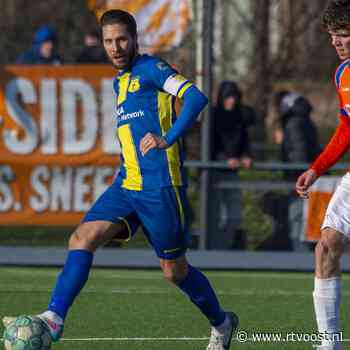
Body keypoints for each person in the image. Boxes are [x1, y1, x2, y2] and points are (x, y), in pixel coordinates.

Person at [3, 9, 238, 350]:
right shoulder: (120, 80)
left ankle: (222, 322)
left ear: (135, 39)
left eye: (122, 39)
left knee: (174, 272)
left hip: (160, 187)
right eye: (109, 41)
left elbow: (195, 97)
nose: (115, 47)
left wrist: (168, 137)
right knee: (81, 238)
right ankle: (54, 318)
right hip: (127, 185)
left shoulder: (152, 69)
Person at [295, 1, 350, 348]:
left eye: (342, 35)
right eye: (332, 36)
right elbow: (347, 129)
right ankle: (328, 344)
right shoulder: (343, 75)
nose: (336, 43)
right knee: (327, 245)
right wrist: (316, 168)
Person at [274, 90, 322, 251]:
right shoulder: (307, 121)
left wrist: (298, 176)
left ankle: (299, 254)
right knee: (307, 219)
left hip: (299, 178)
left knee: (297, 218)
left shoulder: (293, 123)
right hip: (310, 176)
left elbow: (298, 151)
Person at [209, 81, 254, 250]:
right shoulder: (213, 116)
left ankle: (225, 248)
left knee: (234, 216)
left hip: (231, 174)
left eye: (234, 97)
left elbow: (245, 141)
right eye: (228, 97)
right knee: (217, 216)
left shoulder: (240, 116)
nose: (232, 101)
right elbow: (208, 147)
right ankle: (214, 249)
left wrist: (246, 156)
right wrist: (224, 159)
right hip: (214, 174)